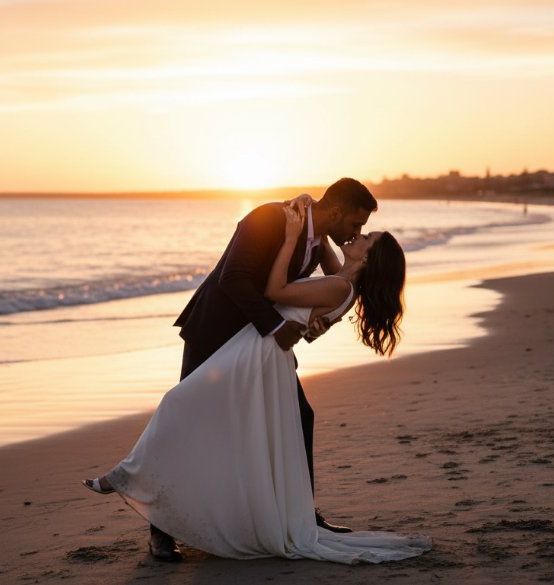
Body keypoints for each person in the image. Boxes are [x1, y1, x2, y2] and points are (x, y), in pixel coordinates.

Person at [81, 205, 430, 563]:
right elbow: (326, 248)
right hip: (238, 339)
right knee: (212, 417)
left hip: (256, 353)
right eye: (359, 224)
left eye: (367, 236)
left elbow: (275, 289)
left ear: (369, 259)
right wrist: (314, 219)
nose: (359, 233)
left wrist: (294, 235)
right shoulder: (342, 281)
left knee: (181, 406)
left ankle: (127, 479)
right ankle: (167, 514)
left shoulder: (340, 285)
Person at [138, 178, 376, 561]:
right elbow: (234, 279)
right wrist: (278, 328)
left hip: (259, 345)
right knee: (190, 423)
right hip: (214, 333)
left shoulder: (317, 239)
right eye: (354, 225)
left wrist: (307, 323)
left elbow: (328, 285)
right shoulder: (268, 219)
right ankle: (161, 531)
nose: (356, 233)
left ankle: (302, 516)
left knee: (299, 417)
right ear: (335, 213)